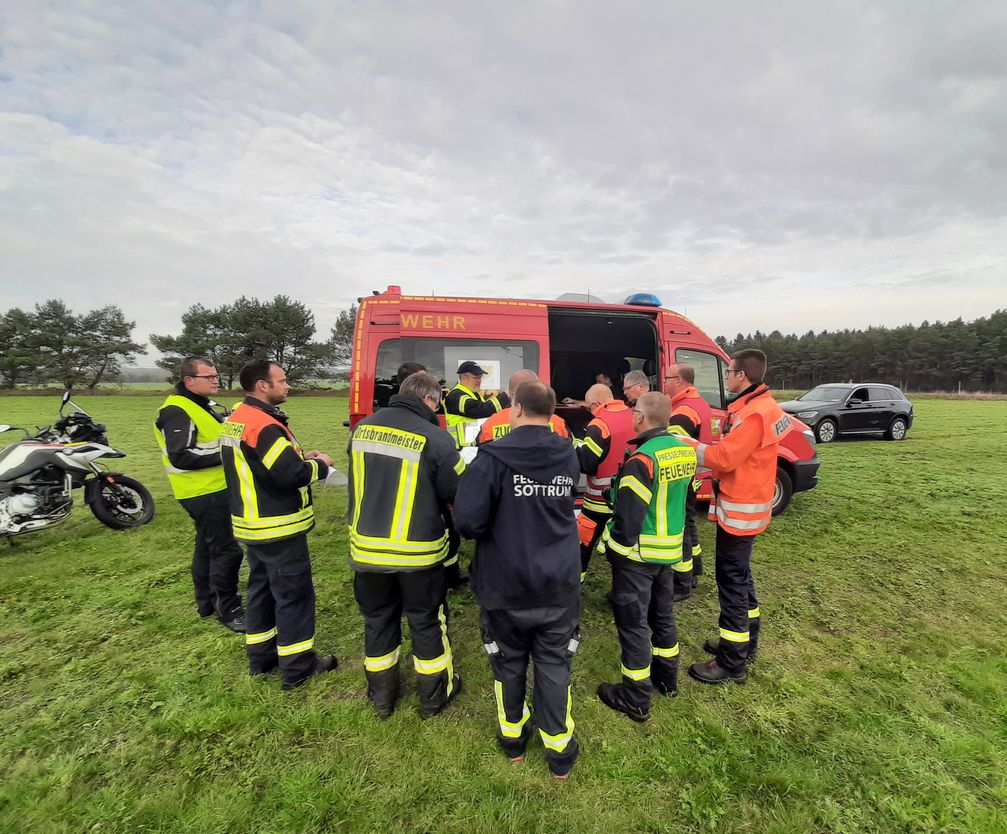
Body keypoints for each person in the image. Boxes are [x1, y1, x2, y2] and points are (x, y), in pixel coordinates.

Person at [453, 380, 582, 780]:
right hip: (558, 581)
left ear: (516, 408)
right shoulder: (569, 454)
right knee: (553, 663)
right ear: (554, 411)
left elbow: (469, 522)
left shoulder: (490, 458)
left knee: (509, 663)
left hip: (505, 583)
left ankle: (513, 742)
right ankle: (559, 752)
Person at [348, 371, 464, 719]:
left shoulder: (361, 430)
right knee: (426, 621)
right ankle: (433, 696)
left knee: (378, 619)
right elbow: (459, 492)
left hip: (366, 549)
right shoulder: (436, 439)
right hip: (418, 553)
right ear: (430, 399)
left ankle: (382, 698)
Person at [219, 360, 338, 690]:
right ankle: (298, 668)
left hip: (250, 525)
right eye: (282, 381)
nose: (287, 386)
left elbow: (264, 465)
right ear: (262, 385)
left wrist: (301, 458)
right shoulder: (264, 425)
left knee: (260, 592)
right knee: (293, 597)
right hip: (278, 527)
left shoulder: (236, 419)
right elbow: (291, 476)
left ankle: (261, 658)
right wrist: (320, 465)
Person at [679, 350, 794, 685]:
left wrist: (686, 444)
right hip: (750, 505)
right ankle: (745, 643)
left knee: (731, 583)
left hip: (741, 510)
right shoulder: (760, 406)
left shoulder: (756, 413)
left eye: (728, 371)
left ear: (741, 375)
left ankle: (731, 663)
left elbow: (725, 458)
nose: (725, 377)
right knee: (741, 578)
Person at [594, 392, 696, 722]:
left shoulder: (642, 459)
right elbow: (685, 500)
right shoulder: (684, 448)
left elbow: (629, 518)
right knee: (662, 616)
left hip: (637, 557)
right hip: (667, 552)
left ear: (640, 416)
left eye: (634, 412)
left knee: (634, 626)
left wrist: (615, 550)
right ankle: (667, 679)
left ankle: (636, 697)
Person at [154, 356, 245, 632]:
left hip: (211, 489)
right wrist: (228, 454)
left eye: (216, 375)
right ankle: (228, 609)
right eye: (209, 377)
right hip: (204, 492)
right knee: (227, 551)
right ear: (189, 381)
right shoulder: (177, 410)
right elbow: (181, 455)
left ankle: (206, 603)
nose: (215, 380)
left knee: (206, 548)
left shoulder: (200, 406)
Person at [575, 383, 635, 578]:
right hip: (629, 498)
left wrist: (575, 446)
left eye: (588, 407)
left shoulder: (599, 424)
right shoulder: (635, 416)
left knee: (583, 543)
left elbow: (587, 464)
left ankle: (576, 580)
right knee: (623, 547)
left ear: (596, 403)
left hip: (598, 502)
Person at [664, 364, 714, 601]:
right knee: (690, 525)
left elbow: (673, 450)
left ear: (679, 381)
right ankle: (695, 569)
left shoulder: (683, 412)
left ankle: (682, 584)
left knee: (680, 530)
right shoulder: (699, 403)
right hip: (694, 477)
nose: (663, 382)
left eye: (667, 378)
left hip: (681, 479)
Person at [477, 369, 570, 444]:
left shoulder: (490, 424)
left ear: (510, 392)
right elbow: (572, 454)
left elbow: (481, 455)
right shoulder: (558, 423)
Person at [443, 361, 510, 447]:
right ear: (463, 378)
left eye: (480, 377)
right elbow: (481, 410)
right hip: (461, 449)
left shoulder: (474, 394)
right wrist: (506, 395)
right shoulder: (455, 396)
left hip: (473, 446)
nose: (479, 380)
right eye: (476, 377)